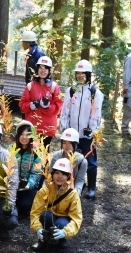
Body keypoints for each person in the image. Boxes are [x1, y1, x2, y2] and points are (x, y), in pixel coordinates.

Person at [60, 59, 103, 200]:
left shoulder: (94, 92)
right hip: (72, 134)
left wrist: (91, 130)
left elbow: (96, 113)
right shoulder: (71, 90)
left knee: (89, 160)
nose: (80, 76)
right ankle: (73, 183)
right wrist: (65, 128)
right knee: (70, 159)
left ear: (88, 74)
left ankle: (91, 188)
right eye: (78, 73)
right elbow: (65, 110)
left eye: (83, 73)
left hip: (87, 134)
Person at [30, 158, 82, 251]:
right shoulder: (45, 190)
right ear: (52, 174)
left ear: (68, 176)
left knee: (60, 223)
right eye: (57, 173)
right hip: (50, 216)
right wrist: (37, 228)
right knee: (45, 216)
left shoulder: (73, 194)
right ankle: (42, 240)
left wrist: (65, 232)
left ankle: (61, 240)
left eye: (63, 174)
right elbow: (35, 212)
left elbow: (76, 218)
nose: (59, 176)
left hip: (64, 220)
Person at [19, 56, 62, 149]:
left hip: (47, 129)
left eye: (46, 68)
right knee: (30, 154)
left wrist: (47, 107)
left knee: (44, 156)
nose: (43, 70)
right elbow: (22, 105)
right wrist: (30, 106)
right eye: (41, 67)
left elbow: (58, 108)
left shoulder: (54, 87)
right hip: (32, 128)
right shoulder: (30, 86)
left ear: (49, 70)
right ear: (37, 69)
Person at [14, 120, 42, 217]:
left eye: (27, 134)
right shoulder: (12, 149)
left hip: (28, 188)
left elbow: (36, 174)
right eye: (22, 134)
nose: (24, 137)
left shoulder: (36, 153)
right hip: (14, 186)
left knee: (24, 205)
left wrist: (28, 185)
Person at [50, 128, 87, 196]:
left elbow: (80, 180)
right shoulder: (56, 156)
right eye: (64, 142)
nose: (67, 146)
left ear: (75, 144)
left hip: (71, 191)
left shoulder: (82, 161)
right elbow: (50, 175)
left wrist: (76, 193)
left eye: (70, 143)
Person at [121, 52, 131, 139]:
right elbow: (127, 74)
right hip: (130, 88)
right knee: (128, 108)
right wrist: (126, 87)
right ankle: (125, 130)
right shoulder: (130, 57)